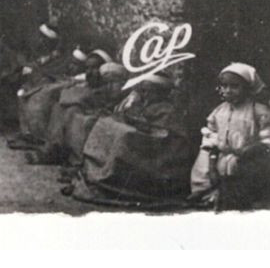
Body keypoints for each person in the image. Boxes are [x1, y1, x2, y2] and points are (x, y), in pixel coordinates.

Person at [67, 70, 196, 207]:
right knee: (106, 129)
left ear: (161, 93)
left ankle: (108, 177)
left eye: (149, 92)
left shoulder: (169, 111)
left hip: (163, 154)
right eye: (143, 91)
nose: (144, 95)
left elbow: (164, 135)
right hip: (147, 142)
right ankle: (98, 172)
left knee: (123, 140)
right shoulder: (146, 104)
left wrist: (140, 126)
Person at [189, 63, 270, 209]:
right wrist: (212, 162)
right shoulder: (219, 112)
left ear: (248, 88)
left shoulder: (259, 111)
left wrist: (255, 148)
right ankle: (207, 195)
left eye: (234, 86)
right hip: (221, 157)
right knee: (205, 170)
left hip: (248, 159)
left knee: (245, 181)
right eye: (224, 86)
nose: (228, 91)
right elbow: (211, 137)